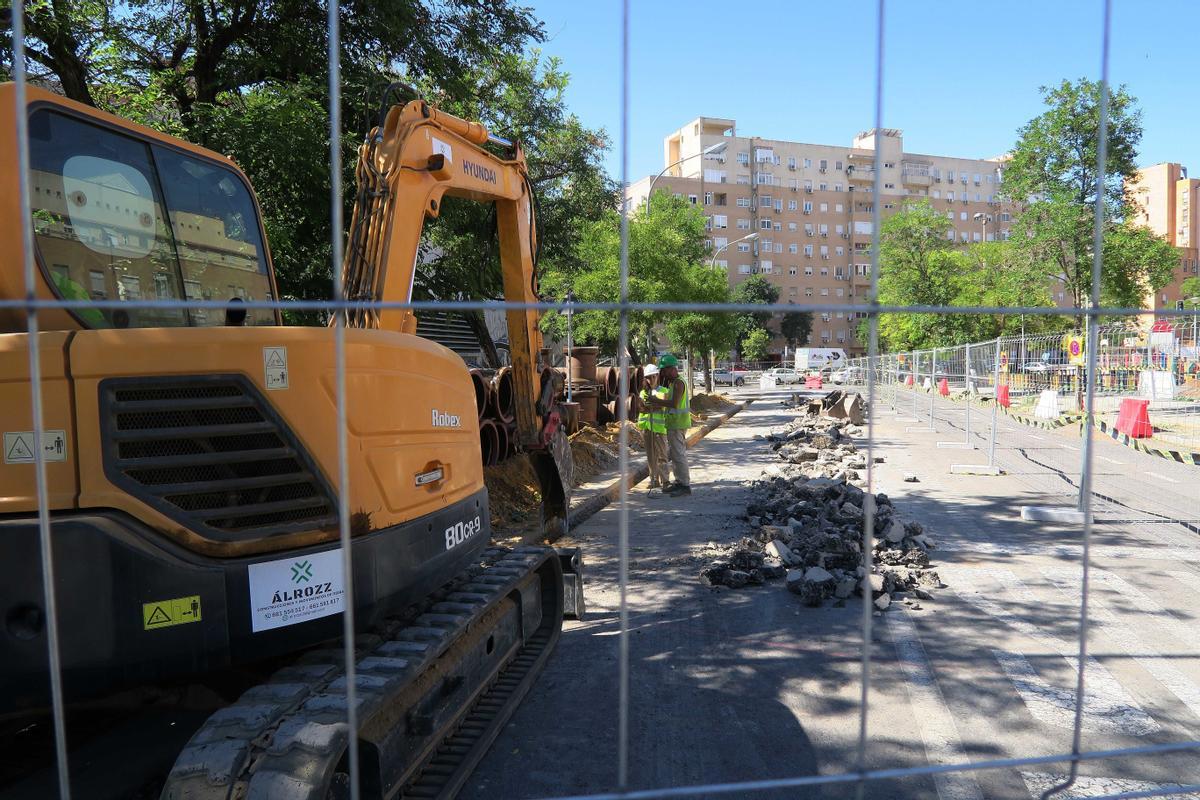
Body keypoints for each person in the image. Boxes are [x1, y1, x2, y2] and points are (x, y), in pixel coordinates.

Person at [646, 353, 690, 497]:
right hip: (673, 424)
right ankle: (679, 482)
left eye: (664, 370)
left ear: (671, 369)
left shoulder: (678, 383)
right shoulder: (673, 383)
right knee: (676, 455)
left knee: (679, 455)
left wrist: (656, 401)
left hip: (678, 424)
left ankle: (684, 485)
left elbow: (674, 403)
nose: (663, 374)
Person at [636, 364, 668, 490]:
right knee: (651, 456)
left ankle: (665, 481)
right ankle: (653, 480)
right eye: (648, 378)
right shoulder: (643, 392)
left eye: (653, 377)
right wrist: (652, 406)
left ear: (657, 376)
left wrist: (650, 406)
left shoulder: (664, 391)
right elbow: (641, 407)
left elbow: (662, 406)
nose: (651, 380)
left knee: (662, 456)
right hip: (647, 428)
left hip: (660, 429)